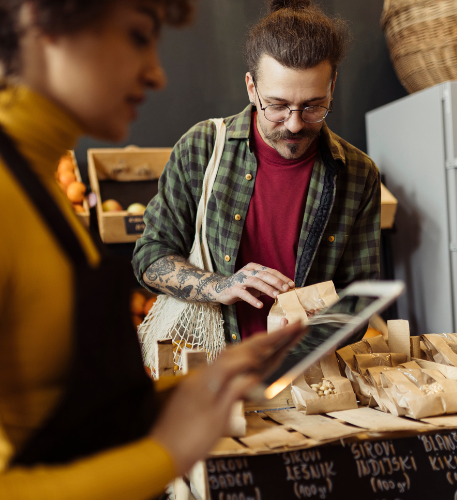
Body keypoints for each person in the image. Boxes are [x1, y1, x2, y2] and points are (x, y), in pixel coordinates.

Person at [0, 2, 306, 499]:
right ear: (44, 17)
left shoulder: (34, 184)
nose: (157, 73)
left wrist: (200, 389)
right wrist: (167, 452)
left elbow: (57, 412)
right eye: (138, 36)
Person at [133, 0, 382, 344]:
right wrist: (219, 286)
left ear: (332, 87)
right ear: (252, 88)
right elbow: (149, 256)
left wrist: (323, 322)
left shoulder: (358, 173)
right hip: (214, 364)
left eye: (313, 106)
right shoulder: (201, 148)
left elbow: (362, 297)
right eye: (277, 106)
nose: (294, 124)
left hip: (307, 368)